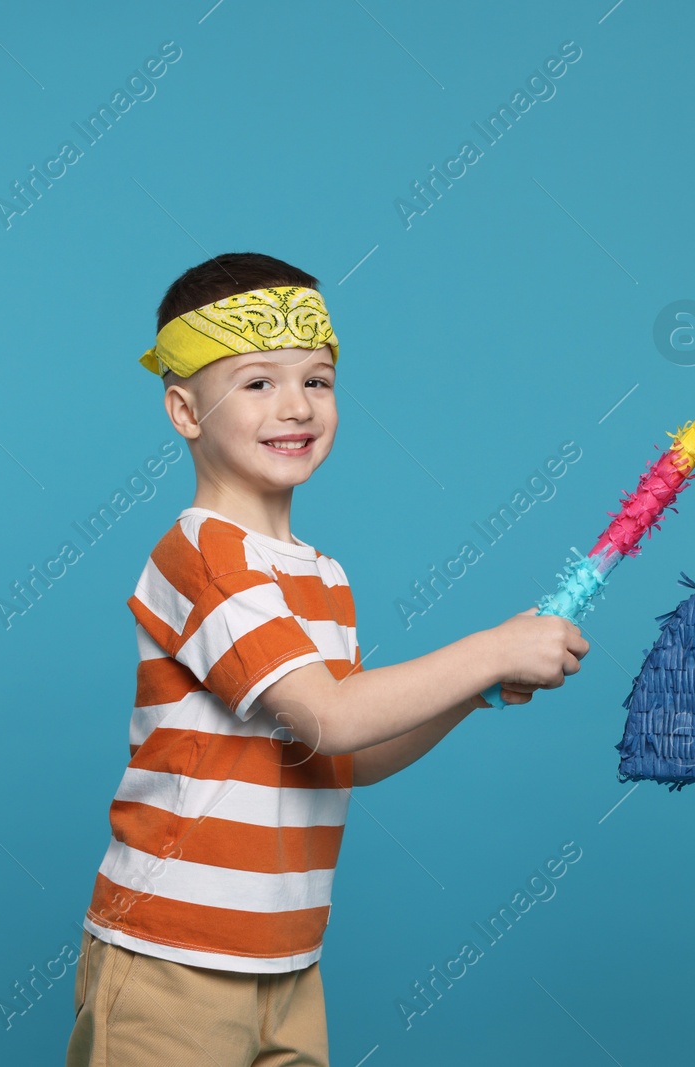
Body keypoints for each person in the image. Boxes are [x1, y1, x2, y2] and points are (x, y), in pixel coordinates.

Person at [65, 251, 588, 1065]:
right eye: (257, 382)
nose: (296, 405)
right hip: (173, 955)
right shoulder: (201, 555)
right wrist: (489, 647)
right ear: (184, 409)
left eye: (317, 379)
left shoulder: (320, 573)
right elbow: (330, 715)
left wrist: (473, 689)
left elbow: (344, 754)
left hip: (287, 959)